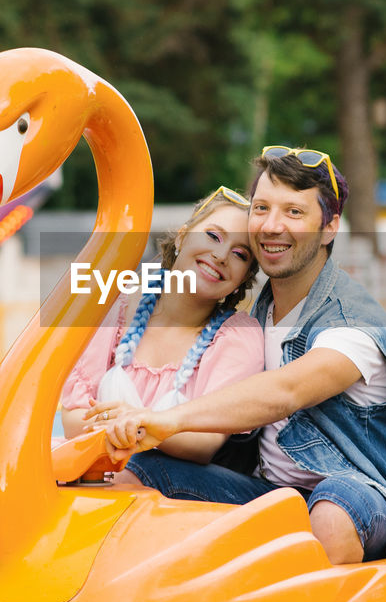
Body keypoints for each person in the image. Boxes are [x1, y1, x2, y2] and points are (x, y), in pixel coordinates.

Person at [88, 147, 386, 565]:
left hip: (358, 495)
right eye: (261, 208)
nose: (271, 226)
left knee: (332, 511)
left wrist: (168, 420)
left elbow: (287, 390)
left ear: (330, 227)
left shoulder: (354, 323)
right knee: (142, 471)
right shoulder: (260, 310)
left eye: (294, 213)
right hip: (271, 493)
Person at [61, 186, 264, 465]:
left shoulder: (238, 338)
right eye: (213, 236)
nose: (221, 255)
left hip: (169, 500)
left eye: (240, 254)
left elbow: (205, 443)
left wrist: (131, 423)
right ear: (182, 236)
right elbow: (74, 419)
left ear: (243, 280)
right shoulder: (113, 304)